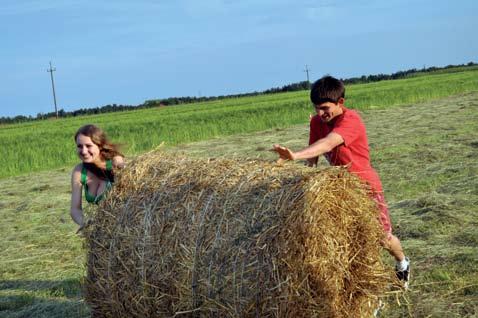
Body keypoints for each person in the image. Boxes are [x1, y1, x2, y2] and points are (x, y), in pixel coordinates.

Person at [272, 76, 410, 288]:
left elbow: (327, 143)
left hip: (366, 187)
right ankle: (362, 285)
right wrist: (307, 175)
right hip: (341, 188)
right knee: (351, 239)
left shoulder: (351, 121)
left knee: (382, 239)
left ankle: (402, 263)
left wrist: (295, 155)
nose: (320, 114)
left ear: (340, 103)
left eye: (325, 108)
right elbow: (315, 152)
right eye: (317, 108)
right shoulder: (317, 122)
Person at [70, 124, 124, 231]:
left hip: (122, 227)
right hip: (103, 230)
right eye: (79, 146)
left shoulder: (115, 162)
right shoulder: (79, 171)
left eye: (88, 146)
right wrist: (86, 222)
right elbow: (75, 209)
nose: (84, 151)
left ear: (99, 145)